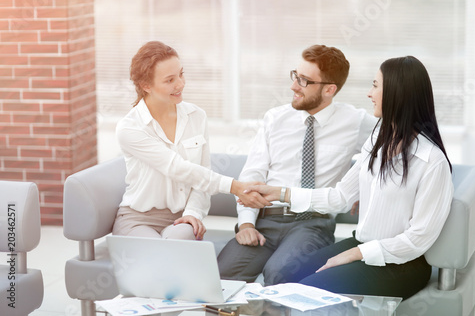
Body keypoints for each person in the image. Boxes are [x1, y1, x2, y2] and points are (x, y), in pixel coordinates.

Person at [243, 56, 454, 299]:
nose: (369, 93)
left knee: (309, 290)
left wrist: (356, 254)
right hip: (362, 245)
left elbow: (418, 239)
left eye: (375, 85)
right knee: (286, 275)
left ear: (398, 93)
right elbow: (341, 196)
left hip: (402, 263)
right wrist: (282, 193)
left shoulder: (431, 161)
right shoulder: (378, 141)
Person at [217, 44, 377, 285]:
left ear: (329, 90)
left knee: (281, 272)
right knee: (222, 274)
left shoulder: (355, 122)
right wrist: (247, 223)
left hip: (312, 223)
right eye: (295, 76)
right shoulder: (275, 118)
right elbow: (253, 174)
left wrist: (365, 188)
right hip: (265, 220)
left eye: (304, 81)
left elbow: (395, 150)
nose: (293, 86)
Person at [112, 41, 268, 240]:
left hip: (180, 218)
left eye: (181, 74)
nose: (180, 84)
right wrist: (236, 187)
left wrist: (192, 214)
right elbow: (177, 167)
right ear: (146, 86)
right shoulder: (130, 128)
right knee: (152, 252)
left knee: (180, 240)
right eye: (169, 80)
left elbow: (201, 175)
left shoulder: (197, 116)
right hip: (137, 219)